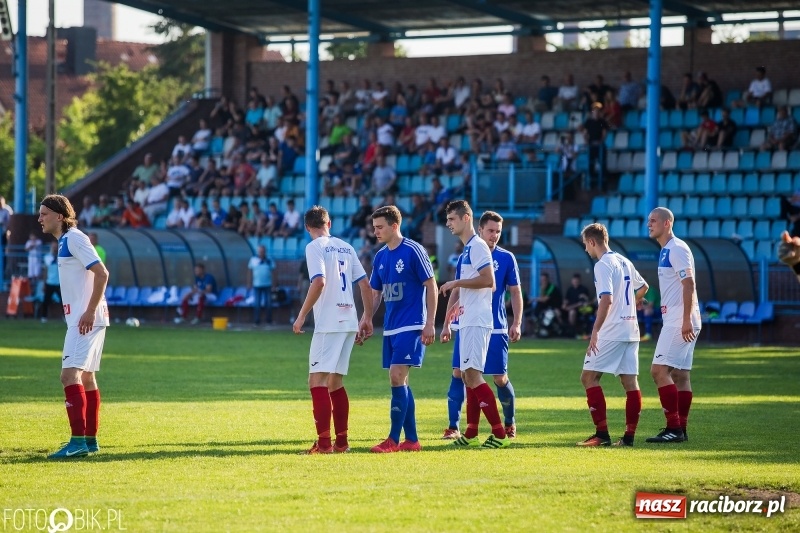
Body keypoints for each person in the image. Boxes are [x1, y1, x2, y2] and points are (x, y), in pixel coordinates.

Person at [293, 206, 374, 454]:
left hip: (329, 322)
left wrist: (302, 315)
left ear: (307, 227)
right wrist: (367, 318)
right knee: (335, 382)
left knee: (316, 380)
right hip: (349, 321)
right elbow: (365, 284)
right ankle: (341, 442)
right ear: (329, 223)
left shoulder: (314, 247)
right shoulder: (347, 247)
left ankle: (324, 444)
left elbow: (319, 281)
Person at [38, 194, 110, 458]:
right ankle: (89, 440)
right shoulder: (65, 242)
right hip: (87, 317)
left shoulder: (73, 238)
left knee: (69, 376)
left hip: (85, 319)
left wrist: (88, 311)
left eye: (44, 214)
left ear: (60, 216)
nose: (39, 219)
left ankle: (77, 443)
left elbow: (102, 273)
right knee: (87, 377)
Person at [441, 210, 522, 441]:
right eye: (491, 230)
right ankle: (460, 428)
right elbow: (458, 291)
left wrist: (517, 322)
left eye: (498, 232)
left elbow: (509, 289)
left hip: (491, 325)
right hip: (467, 321)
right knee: (461, 373)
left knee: (497, 377)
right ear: (480, 229)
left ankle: (505, 426)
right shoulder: (467, 252)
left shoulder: (502, 256)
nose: (494, 235)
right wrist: (447, 322)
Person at [368, 205, 437, 453]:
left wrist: (430, 323)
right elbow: (376, 293)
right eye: (374, 227)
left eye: (380, 227)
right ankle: (412, 440)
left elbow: (431, 286)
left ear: (394, 226)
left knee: (396, 376)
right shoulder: (380, 256)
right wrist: (366, 318)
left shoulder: (413, 250)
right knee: (402, 381)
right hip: (391, 328)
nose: (375, 232)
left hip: (413, 324)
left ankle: (393, 440)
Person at [577, 223, 648, 447]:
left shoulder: (602, 264)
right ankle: (628, 438)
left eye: (585, 245)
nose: (586, 249)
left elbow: (606, 300)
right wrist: (634, 302)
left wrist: (595, 331)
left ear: (592, 241)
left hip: (612, 330)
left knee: (588, 378)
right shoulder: (624, 261)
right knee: (630, 382)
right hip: (631, 330)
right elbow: (643, 287)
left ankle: (601, 434)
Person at [645, 207, 702, 443]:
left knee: (658, 371)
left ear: (667, 223)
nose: (649, 224)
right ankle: (681, 429)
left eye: (653, 220)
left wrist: (685, 319)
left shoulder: (677, 248)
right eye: (648, 221)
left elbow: (689, 284)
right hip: (680, 317)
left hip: (680, 319)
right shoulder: (666, 249)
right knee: (680, 374)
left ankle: (674, 428)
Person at [248, 245, 275, 326]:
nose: (261, 252)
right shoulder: (253, 260)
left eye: (262, 251)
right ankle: (256, 321)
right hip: (256, 285)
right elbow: (249, 272)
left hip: (267, 285)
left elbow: (274, 272)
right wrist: (249, 283)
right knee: (257, 303)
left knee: (268, 303)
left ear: (265, 251)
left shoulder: (269, 260)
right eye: (260, 251)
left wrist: (274, 284)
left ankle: (268, 320)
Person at [562, 273, 592, 338]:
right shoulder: (570, 290)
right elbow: (566, 300)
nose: (575, 282)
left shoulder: (584, 289)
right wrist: (564, 304)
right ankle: (565, 330)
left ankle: (573, 331)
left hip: (580, 309)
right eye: (574, 281)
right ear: (572, 281)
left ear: (580, 281)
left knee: (572, 312)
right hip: (570, 307)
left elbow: (588, 301)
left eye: (577, 281)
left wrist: (585, 297)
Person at [38, 241, 62, 323]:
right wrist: (44, 283)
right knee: (46, 300)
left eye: (56, 247)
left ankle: (66, 317)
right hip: (50, 282)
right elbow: (45, 271)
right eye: (53, 247)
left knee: (63, 301)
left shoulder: (62, 257)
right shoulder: (47, 257)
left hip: (59, 283)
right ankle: (44, 317)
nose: (54, 248)